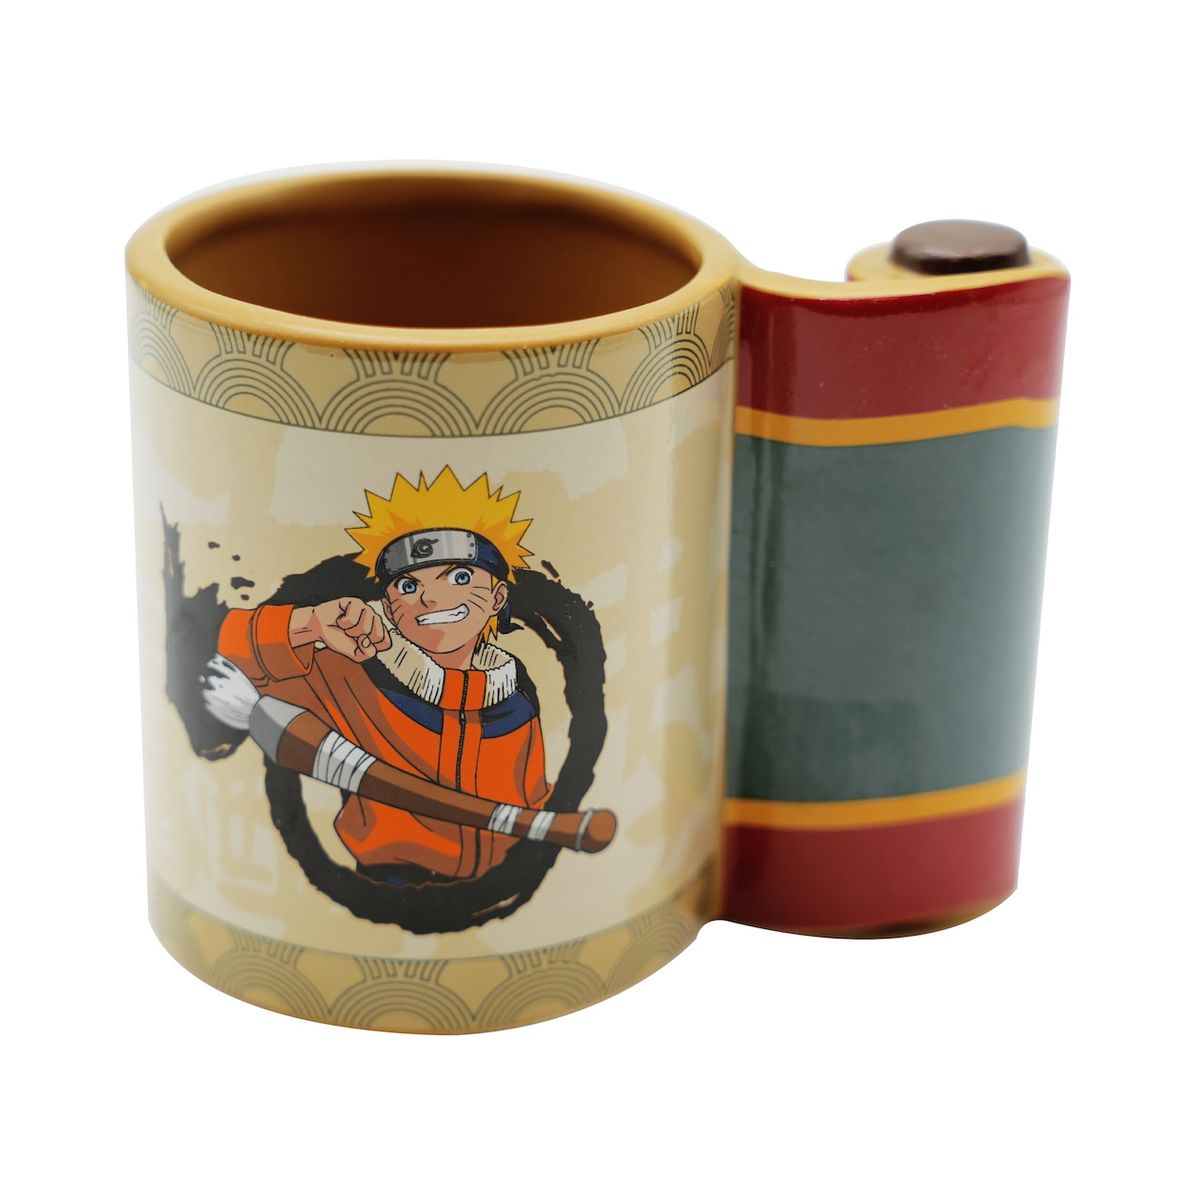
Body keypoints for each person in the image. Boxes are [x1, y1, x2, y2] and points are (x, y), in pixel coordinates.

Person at [217, 466, 550, 886]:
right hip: (386, 885)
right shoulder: (348, 676)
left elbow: (532, 799)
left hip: (502, 888)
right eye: (408, 586)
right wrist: (310, 624)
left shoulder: (515, 707)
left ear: (498, 597)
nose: (430, 597)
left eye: (460, 577)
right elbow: (225, 655)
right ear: (389, 607)